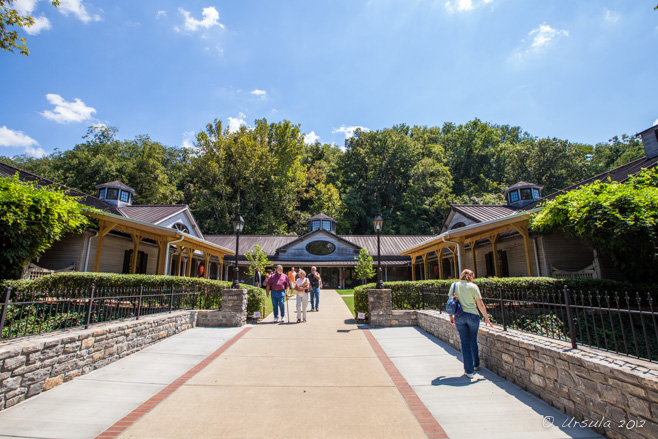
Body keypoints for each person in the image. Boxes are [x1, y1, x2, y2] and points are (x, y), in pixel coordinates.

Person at [449, 269, 493, 379]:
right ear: (471, 276)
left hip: (459, 316)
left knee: (465, 342)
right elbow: (480, 304)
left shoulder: (454, 285)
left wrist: (450, 316)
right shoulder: (473, 287)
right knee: (473, 339)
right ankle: (476, 364)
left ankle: (468, 371)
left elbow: (450, 303)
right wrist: (486, 318)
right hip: (473, 315)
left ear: (462, 275)